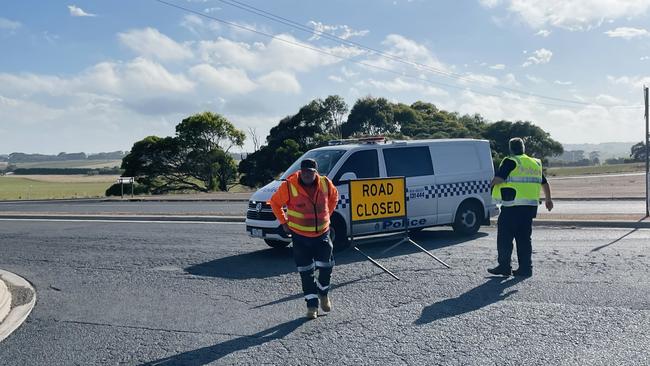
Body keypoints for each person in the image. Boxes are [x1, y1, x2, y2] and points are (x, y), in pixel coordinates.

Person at [269, 158, 339, 319]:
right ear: (300, 171)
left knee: (326, 267)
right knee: (306, 272)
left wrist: (327, 214)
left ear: (316, 172)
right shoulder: (288, 185)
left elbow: (334, 197)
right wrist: (284, 222)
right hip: (300, 236)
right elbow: (274, 203)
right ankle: (312, 307)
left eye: (311, 171)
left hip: (322, 233)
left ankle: (323, 293)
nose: (307, 174)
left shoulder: (326, 183)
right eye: (304, 171)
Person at [488, 137, 553, 277]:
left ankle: (504, 267)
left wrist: (490, 184)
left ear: (511, 149)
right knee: (524, 239)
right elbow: (545, 183)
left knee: (505, 238)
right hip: (529, 208)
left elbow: (499, 178)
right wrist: (548, 200)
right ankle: (526, 268)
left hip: (512, 207)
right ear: (524, 148)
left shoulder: (511, 161)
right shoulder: (534, 163)